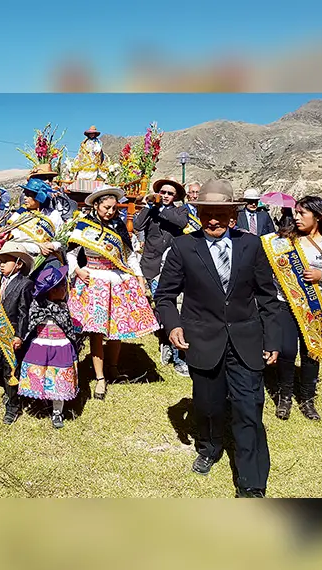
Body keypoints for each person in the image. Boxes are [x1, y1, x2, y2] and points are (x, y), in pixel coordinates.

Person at [154, 178, 281, 498]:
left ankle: (252, 484)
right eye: (208, 212)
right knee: (209, 406)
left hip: (246, 341)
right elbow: (165, 297)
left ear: (233, 217)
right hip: (202, 341)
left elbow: (268, 296)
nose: (213, 219)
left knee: (249, 410)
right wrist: (172, 327)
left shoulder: (252, 245)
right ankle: (209, 447)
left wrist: (273, 339)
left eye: (220, 213)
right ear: (199, 212)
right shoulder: (183, 247)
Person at [68, 186, 159, 398]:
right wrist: (78, 271)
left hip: (117, 281)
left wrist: (138, 277)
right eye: (106, 208)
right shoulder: (84, 226)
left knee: (118, 328)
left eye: (113, 208)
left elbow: (129, 256)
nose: (110, 212)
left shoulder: (118, 225)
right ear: (96, 206)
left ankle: (113, 367)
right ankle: (99, 378)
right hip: (93, 281)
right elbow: (71, 254)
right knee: (97, 332)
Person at [263, 196, 322, 421]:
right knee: (287, 351)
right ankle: (284, 396)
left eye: (301, 214)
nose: (295, 218)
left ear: (317, 216)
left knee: (311, 353)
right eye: (295, 213)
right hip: (285, 304)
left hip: (316, 305)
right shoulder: (284, 239)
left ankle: (307, 399)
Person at [133, 178, 191, 376]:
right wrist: (150, 207)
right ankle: (168, 342)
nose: (165, 196)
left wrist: (160, 210)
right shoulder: (151, 209)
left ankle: (176, 353)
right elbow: (137, 225)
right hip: (152, 265)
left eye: (170, 194)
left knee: (173, 307)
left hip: (173, 266)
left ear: (176, 197)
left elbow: (181, 223)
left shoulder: (180, 211)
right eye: (163, 192)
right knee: (166, 306)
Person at [18, 266, 82, 428]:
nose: (65, 289)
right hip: (40, 348)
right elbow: (29, 326)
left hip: (60, 349)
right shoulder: (36, 307)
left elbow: (69, 330)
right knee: (42, 376)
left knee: (58, 379)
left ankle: (57, 411)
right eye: (61, 286)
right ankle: (42, 400)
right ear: (51, 291)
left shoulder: (63, 309)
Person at [0, 242, 35, 425]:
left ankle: (13, 406)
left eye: (6, 261)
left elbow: (24, 312)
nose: (1, 264)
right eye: (0, 260)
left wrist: (19, 335)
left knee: (10, 370)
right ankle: (9, 391)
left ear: (19, 264)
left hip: (13, 333)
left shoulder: (25, 284)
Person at [7, 177, 64, 273]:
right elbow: (14, 239)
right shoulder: (19, 214)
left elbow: (62, 239)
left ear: (39, 197)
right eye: (25, 194)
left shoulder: (53, 215)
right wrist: (38, 247)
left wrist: (52, 245)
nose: (25, 198)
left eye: (29, 195)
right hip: (24, 261)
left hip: (47, 261)